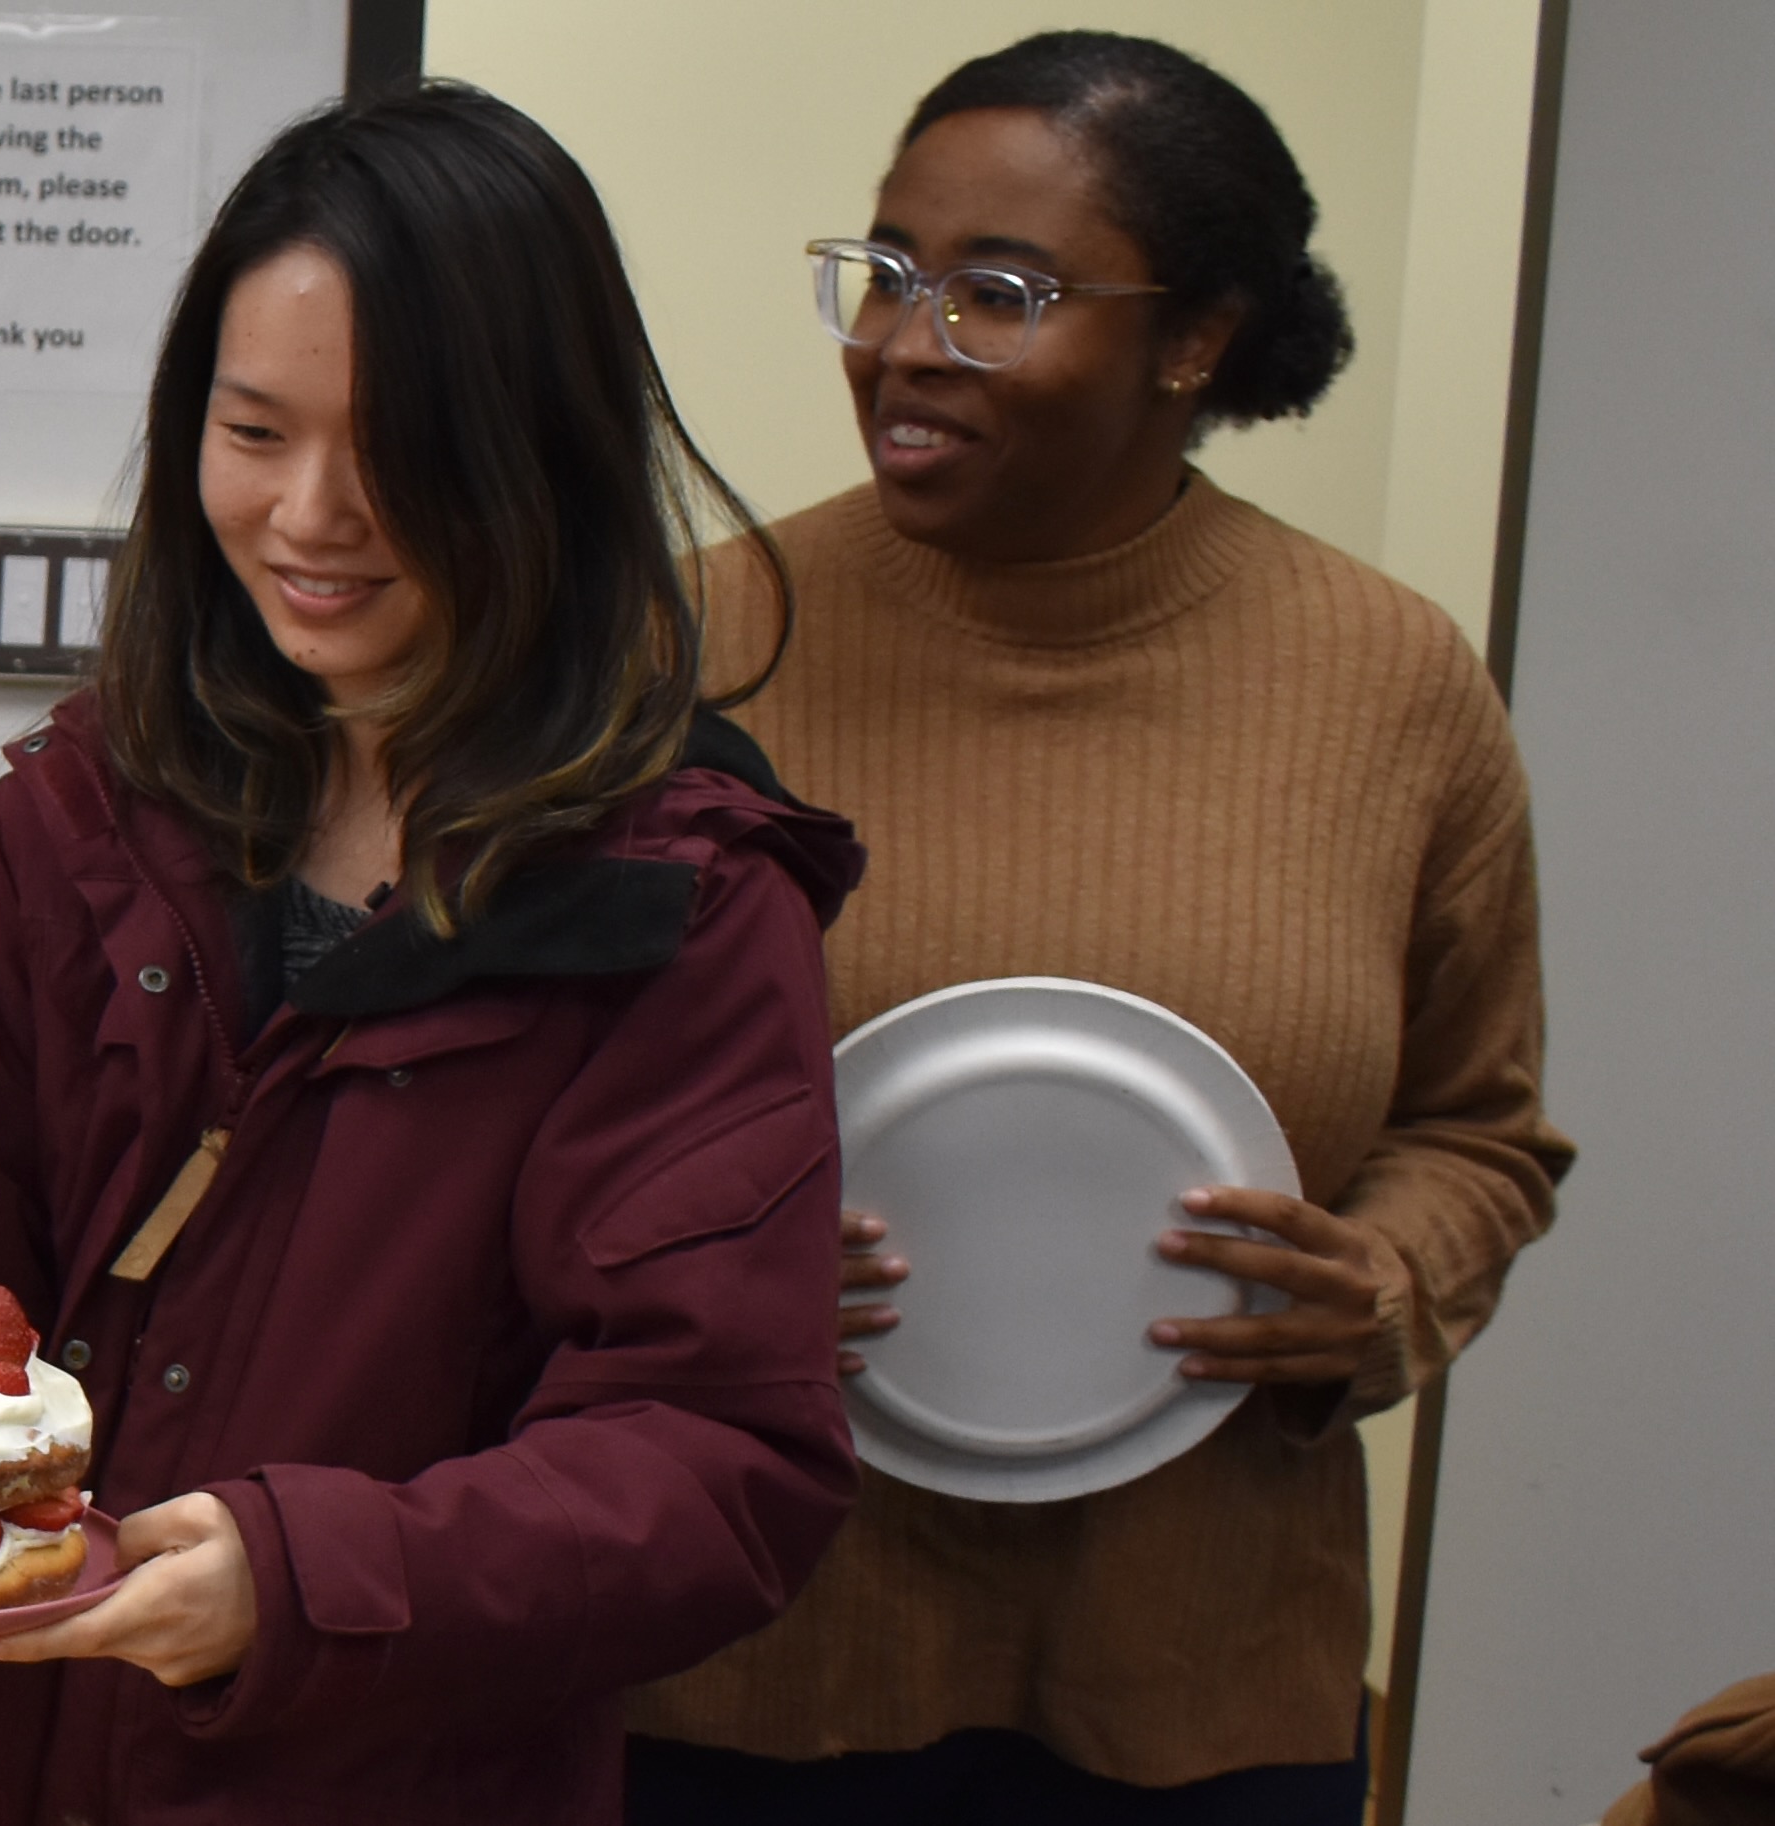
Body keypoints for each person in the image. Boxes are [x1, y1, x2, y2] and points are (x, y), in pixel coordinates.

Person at [0, 83, 863, 1825]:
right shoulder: (67, 830)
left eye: (399, 447)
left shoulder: (680, 904)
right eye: (254, 432)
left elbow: (718, 1464)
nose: (311, 514)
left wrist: (298, 1573)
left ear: (549, 450)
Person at [625, 32, 1572, 1824]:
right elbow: (503, 1115)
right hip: (734, 1661)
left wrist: (1378, 1289)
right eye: (887, 272)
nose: (905, 340)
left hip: (1198, 1686)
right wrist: (675, 1264)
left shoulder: (1388, 681)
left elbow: (1479, 1130)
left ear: (1193, 340)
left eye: (998, 290)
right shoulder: (689, 647)